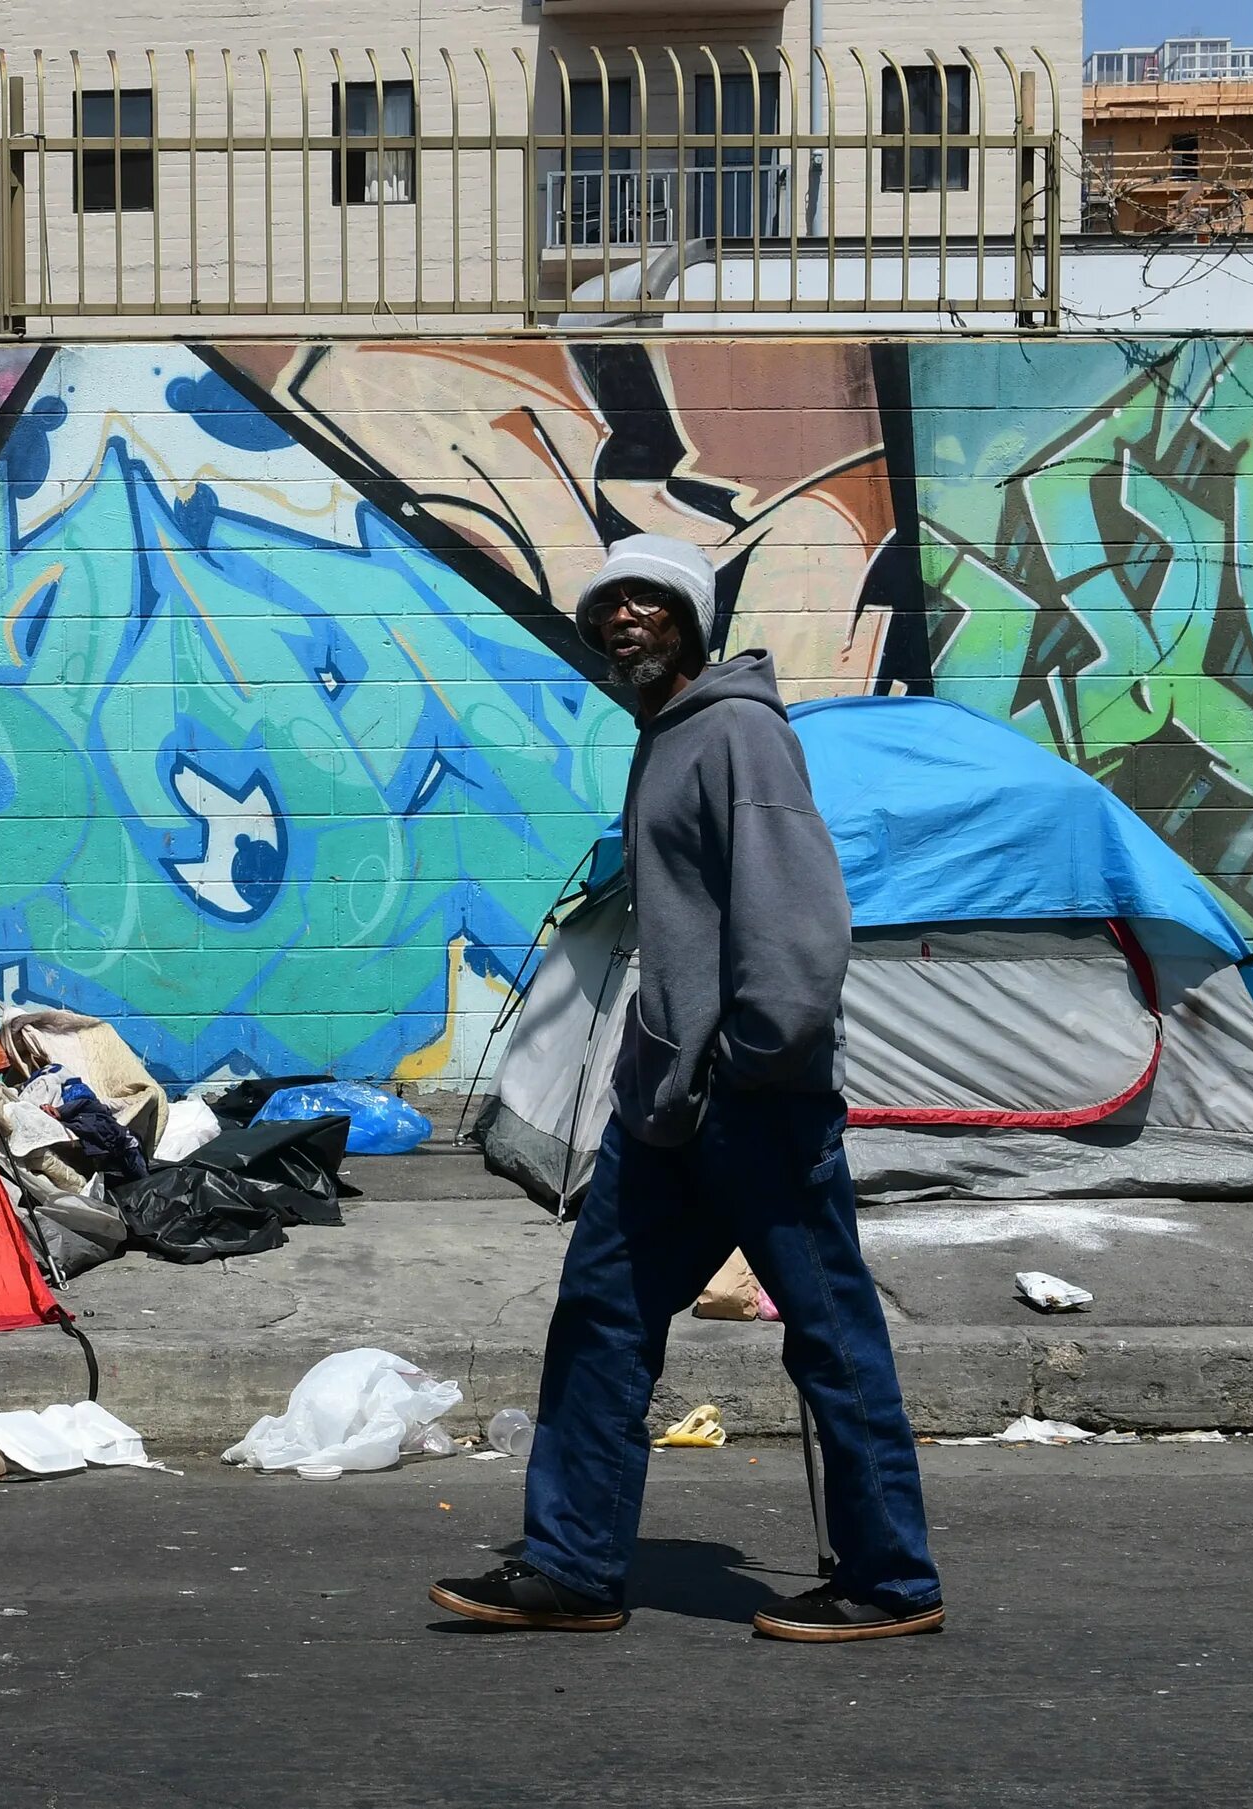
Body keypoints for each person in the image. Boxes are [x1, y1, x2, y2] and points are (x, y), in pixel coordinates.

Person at [430, 534, 944, 1643]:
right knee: (601, 1316)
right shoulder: (661, 736)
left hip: (755, 1101)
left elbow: (801, 924)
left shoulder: (738, 738)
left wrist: (751, 1061)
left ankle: (891, 1580)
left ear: (691, 622)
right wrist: (666, 1071)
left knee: (830, 1335)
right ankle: (572, 1565)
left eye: (648, 603)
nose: (622, 619)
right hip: (665, 1105)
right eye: (605, 605)